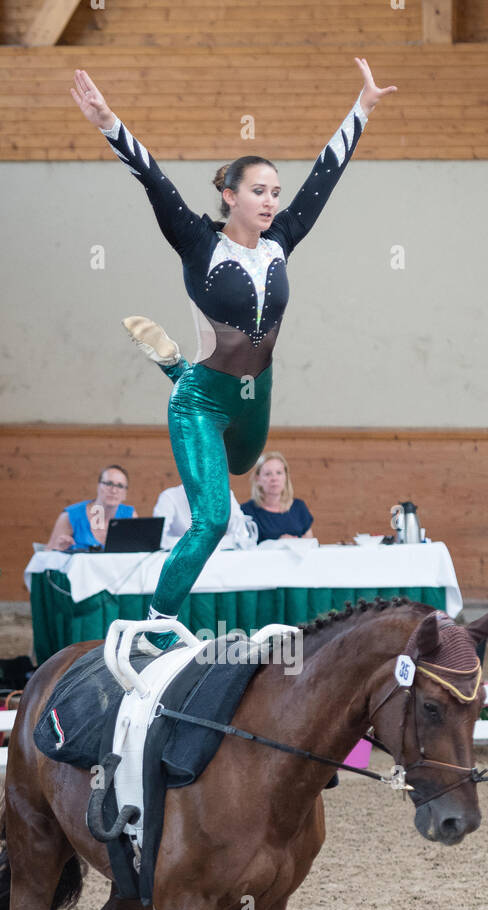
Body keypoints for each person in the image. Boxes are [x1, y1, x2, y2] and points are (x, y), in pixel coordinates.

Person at [71, 60, 397, 649]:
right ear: (229, 195)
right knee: (213, 519)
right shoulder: (197, 243)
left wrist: (362, 109)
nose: (271, 201)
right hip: (203, 403)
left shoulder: (281, 243)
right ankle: (159, 624)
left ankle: (172, 359)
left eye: (275, 191)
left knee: (245, 469)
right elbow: (153, 179)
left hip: (257, 399)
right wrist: (108, 123)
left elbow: (326, 174)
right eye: (259, 191)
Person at [46, 466, 136, 551]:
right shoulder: (71, 515)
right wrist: (57, 549)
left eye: (120, 486)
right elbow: (46, 554)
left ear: (125, 493)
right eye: (109, 484)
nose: (113, 490)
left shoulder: (130, 516)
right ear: (98, 486)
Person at [154, 483, 258, 551]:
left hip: (220, 561)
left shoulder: (225, 494)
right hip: (180, 562)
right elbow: (158, 540)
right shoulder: (169, 497)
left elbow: (242, 535)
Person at [241, 452, 314, 542]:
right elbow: (243, 548)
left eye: (279, 473)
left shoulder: (299, 507)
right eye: (268, 474)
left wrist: (293, 543)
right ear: (258, 479)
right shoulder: (246, 511)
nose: (274, 478)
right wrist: (278, 545)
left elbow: (310, 544)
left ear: (286, 477)